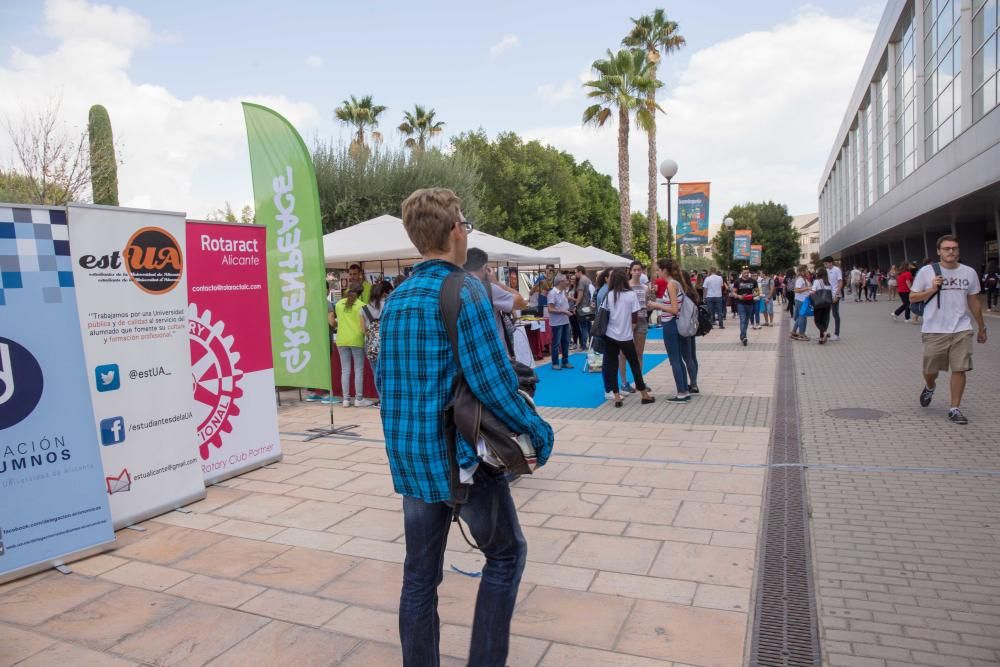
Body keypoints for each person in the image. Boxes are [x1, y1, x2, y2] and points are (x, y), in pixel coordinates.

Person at [377, 188, 554, 666]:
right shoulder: (466, 291)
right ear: (456, 230)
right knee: (506, 554)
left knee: (419, 577)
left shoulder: (396, 300)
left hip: (414, 460)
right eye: (464, 223)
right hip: (461, 460)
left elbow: (384, 383)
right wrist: (537, 431)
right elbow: (494, 382)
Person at [910, 235, 988, 425]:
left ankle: (954, 409)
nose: (950, 252)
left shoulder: (969, 272)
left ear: (958, 250)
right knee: (930, 369)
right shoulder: (926, 272)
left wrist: (981, 327)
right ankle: (930, 386)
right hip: (934, 329)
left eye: (954, 248)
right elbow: (912, 297)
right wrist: (931, 290)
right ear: (939, 251)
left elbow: (973, 301)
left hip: (961, 328)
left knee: (960, 368)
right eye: (946, 248)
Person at [599, 268, 655, 407]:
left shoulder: (609, 295)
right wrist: (631, 327)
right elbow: (635, 315)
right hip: (626, 335)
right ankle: (643, 394)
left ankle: (617, 396)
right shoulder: (631, 295)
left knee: (612, 366)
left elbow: (604, 314)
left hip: (610, 335)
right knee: (634, 364)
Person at [462, 248, 527, 356]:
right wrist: (496, 282)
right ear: (484, 268)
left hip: (470, 353)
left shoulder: (456, 287)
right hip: (494, 352)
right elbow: (521, 303)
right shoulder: (490, 288)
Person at [649, 259, 697, 401]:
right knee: (679, 358)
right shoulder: (677, 284)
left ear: (664, 270)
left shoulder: (671, 285)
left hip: (671, 324)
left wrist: (656, 305)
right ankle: (684, 390)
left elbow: (674, 309)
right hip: (677, 324)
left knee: (674, 359)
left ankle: (681, 392)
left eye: (658, 270)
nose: (657, 273)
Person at [332, 284, 373, 408]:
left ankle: (345, 399)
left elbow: (335, 320)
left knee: (345, 370)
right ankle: (358, 399)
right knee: (358, 369)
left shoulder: (338, 304)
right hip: (357, 339)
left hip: (341, 339)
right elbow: (366, 324)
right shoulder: (362, 306)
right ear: (360, 294)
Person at [547, 274, 573, 370]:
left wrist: (569, 310)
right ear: (561, 282)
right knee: (556, 343)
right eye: (566, 280)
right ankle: (555, 363)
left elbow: (563, 305)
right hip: (557, 322)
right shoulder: (552, 293)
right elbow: (550, 309)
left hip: (565, 321)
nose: (568, 282)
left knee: (565, 342)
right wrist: (563, 311)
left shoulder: (563, 292)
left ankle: (565, 361)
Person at [730, 266, 758, 347]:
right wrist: (739, 296)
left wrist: (750, 295)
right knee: (743, 320)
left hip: (750, 303)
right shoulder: (737, 282)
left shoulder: (753, 281)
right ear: (741, 273)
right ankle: (744, 337)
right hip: (740, 303)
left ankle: (742, 335)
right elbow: (734, 293)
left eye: (747, 272)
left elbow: (756, 293)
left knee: (746, 320)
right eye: (745, 272)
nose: (746, 274)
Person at [822, 257, 844, 341]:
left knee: (835, 314)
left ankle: (837, 334)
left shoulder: (836, 270)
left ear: (831, 263)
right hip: (827, 294)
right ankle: (823, 333)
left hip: (835, 295)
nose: (825, 265)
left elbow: (840, 282)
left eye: (826, 263)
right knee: (826, 314)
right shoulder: (826, 271)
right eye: (824, 264)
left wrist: (837, 294)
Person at [810, 267, 833, 344]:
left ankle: (824, 332)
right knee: (824, 321)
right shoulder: (828, 282)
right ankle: (822, 338)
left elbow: (813, 292)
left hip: (819, 303)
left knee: (817, 321)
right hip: (827, 304)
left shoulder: (817, 281)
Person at [574, 266, 595, 349]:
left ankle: (583, 345)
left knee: (583, 327)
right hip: (589, 306)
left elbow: (580, 295)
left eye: (575, 272)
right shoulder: (589, 280)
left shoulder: (582, 281)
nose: (575, 274)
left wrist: (575, 305)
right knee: (588, 325)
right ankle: (591, 344)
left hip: (583, 307)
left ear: (580, 272)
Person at [791, 266, 812, 341]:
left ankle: (794, 332)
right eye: (806, 270)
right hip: (801, 300)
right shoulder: (800, 279)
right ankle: (801, 334)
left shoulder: (804, 279)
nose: (807, 272)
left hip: (803, 300)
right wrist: (808, 288)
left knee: (801, 316)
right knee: (803, 317)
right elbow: (796, 290)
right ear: (802, 271)